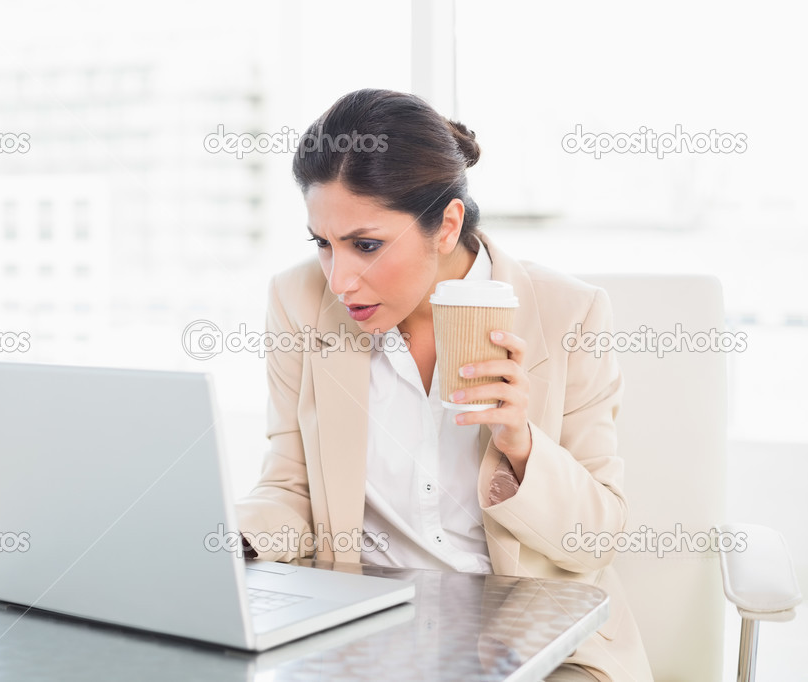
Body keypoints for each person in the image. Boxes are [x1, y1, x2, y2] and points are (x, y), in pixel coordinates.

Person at [235, 88, 653, 682]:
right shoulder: (298, 301)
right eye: (323, 244)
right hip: (365, 638)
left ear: (446, 224)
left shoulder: (568, 313)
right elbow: (291, 486)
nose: (339, 280)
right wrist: (235, 539)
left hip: (537, 648)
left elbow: (594, 540)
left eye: (367, 245)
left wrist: (521, 445)